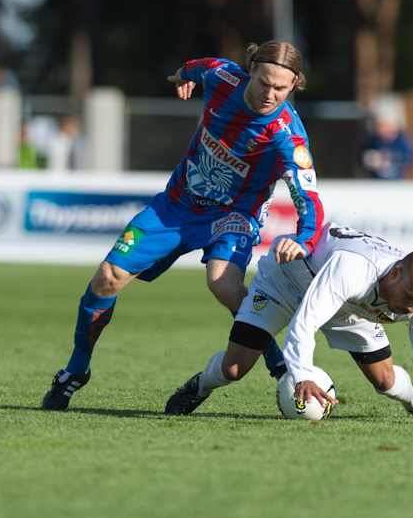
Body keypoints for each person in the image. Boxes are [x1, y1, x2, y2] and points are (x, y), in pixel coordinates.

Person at [42, 40, 325, 411]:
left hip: (234, 216)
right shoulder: (223, 78)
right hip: (176, 205)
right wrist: (183, 77)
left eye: (280, 88)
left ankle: (278, 363)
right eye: (263, 82)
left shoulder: (287, 134)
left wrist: (305, 237)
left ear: (293, 87)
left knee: (223, 284)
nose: (269, 94)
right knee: (107, 277)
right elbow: (197, 65)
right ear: (251, 69)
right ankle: (76, 371)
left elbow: (308, 195)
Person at [165, 222, 413, 428]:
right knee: (234, 368)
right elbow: (305, 321)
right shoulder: (352, 268)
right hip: (287, 282)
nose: (411, 308)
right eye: (410, 297)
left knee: (385, 380)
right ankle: (200, 386)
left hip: (351, 305)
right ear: (395, 272)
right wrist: (303, 374)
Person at [360, 112, 413, 180]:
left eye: (385, 126)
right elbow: (361, 159)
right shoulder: (372, 141)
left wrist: (388, 159)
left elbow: (411, 160)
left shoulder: (402, 141)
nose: (382, 129)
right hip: (377, 182)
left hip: (396, 181)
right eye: (379, 126)